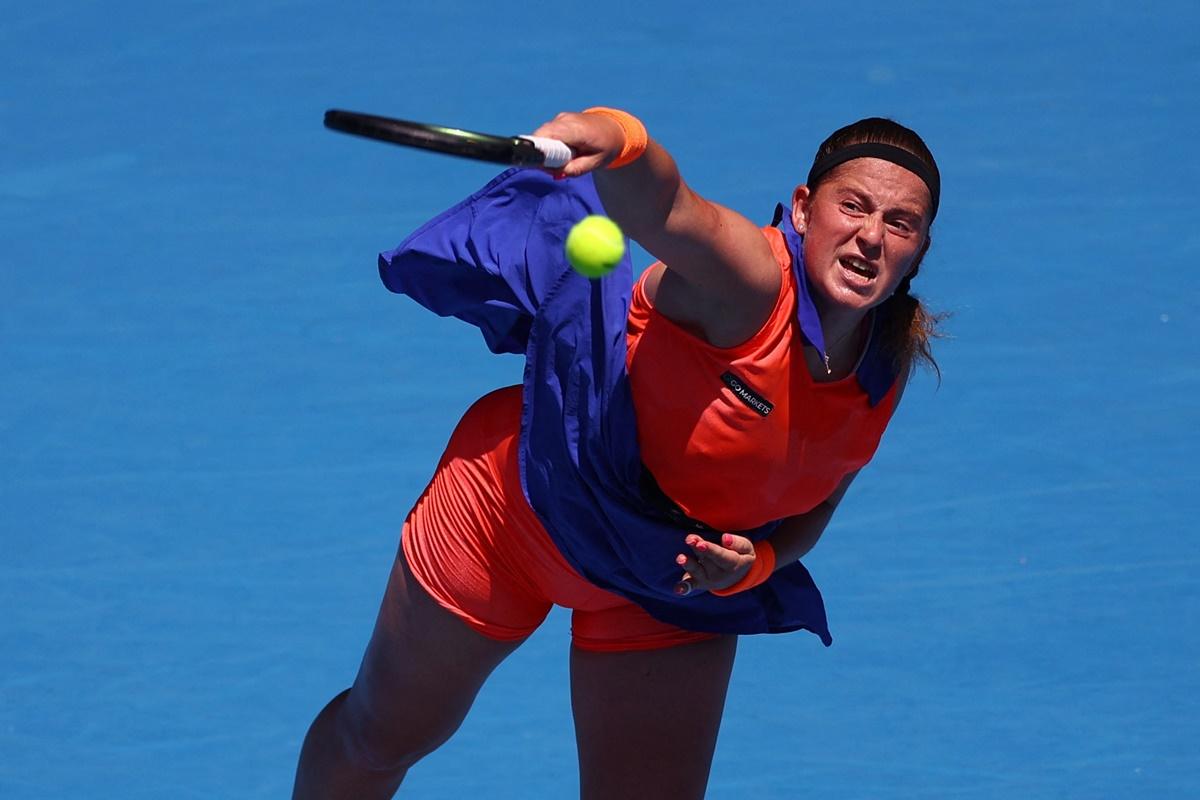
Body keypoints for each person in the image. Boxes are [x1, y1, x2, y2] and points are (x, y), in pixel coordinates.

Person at [293, 108, 942, 799]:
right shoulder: (747, 280)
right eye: (854, 207)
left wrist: (760, 565)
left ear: (919, 250)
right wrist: (619, 137)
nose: (871, 237)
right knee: (379, 738)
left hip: (666, 579)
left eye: (899, 223)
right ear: (807, 209)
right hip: (514, 512)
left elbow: (815, 506)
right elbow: (668, 206)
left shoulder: (884, 366)